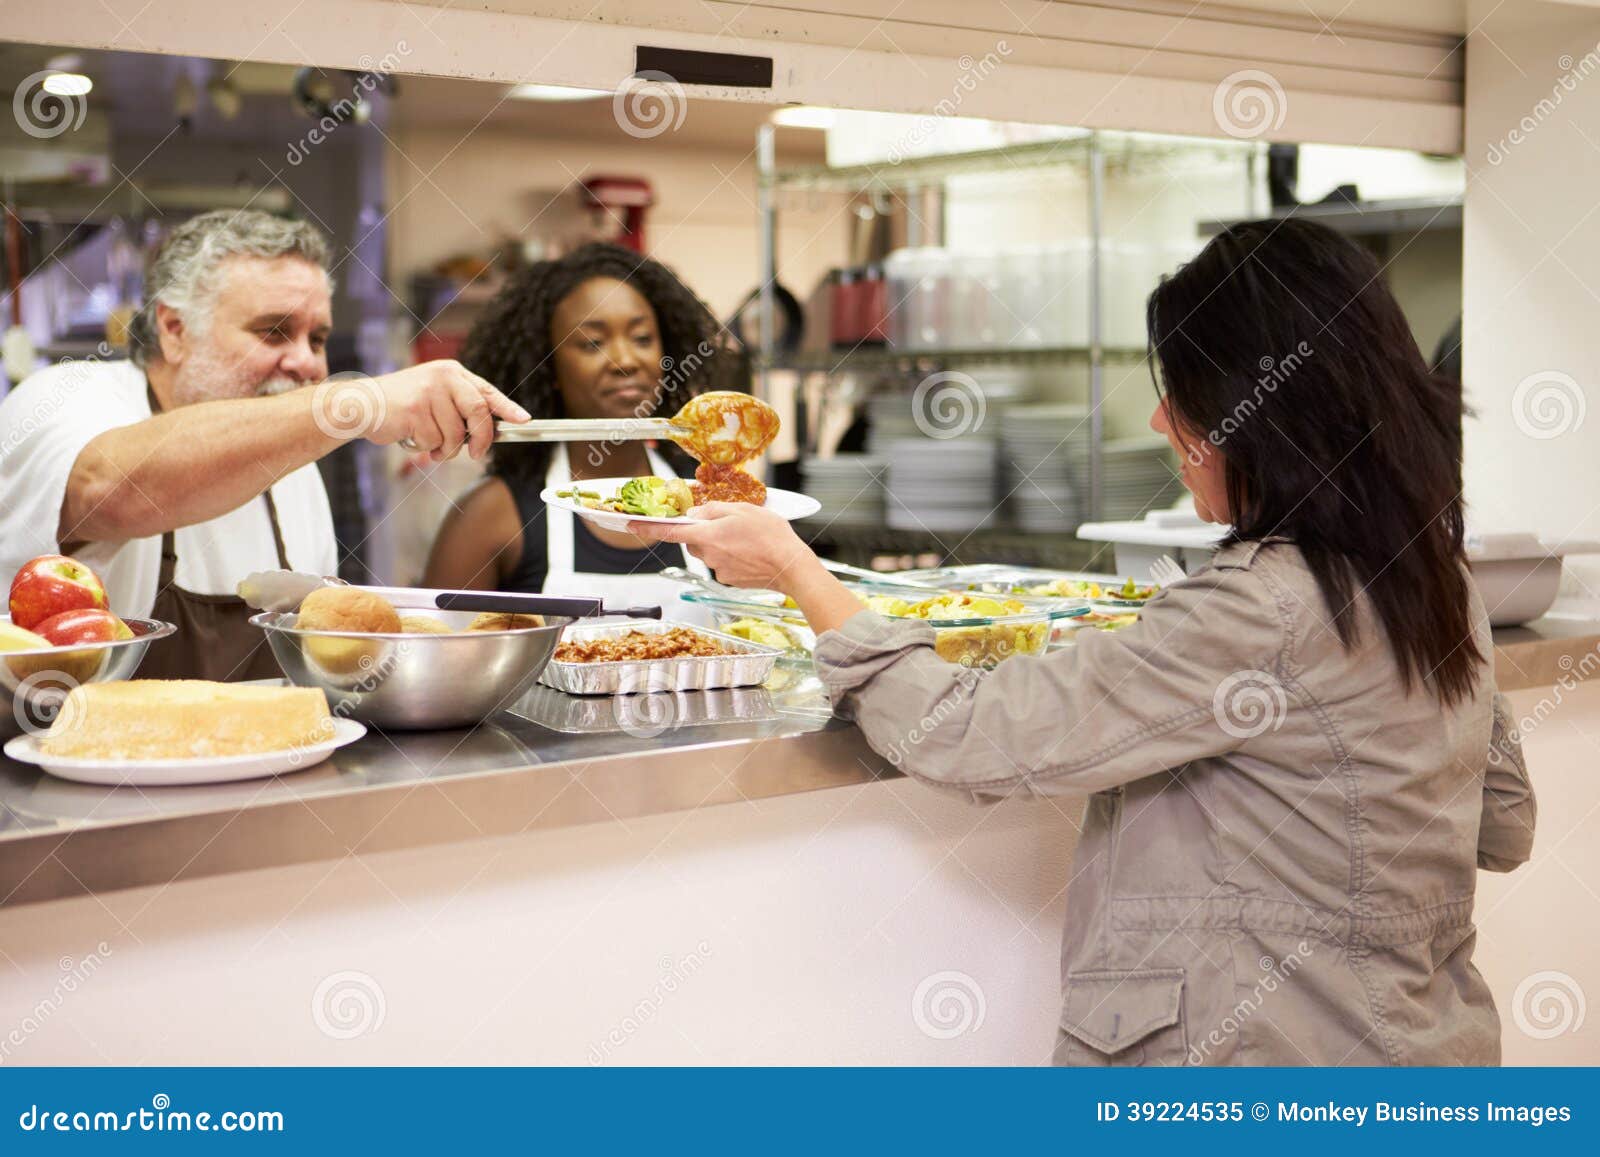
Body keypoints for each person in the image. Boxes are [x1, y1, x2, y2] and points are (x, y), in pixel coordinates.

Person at [630, 219, 1538, 1066]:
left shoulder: (1258, 610)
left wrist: (795, 569)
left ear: (1256, 416)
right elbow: (1502, 820)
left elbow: (966, 734)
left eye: (1178, 396)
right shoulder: (1434, 578)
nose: (1159, 425)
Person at [0, 210, 528, 681]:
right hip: (84, 778)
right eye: (274, 332)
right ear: (174, 328)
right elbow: (111, 491)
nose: (306, 363)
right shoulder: (63, 397)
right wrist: (360, 400)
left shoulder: (294, 469)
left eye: (317, 339)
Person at [423, 243, 741, 608]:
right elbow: (438, 653)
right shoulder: (492, 514)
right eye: (593, 344)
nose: (625, 360)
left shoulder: (710, 495)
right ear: (548, 368)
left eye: (642, 339)